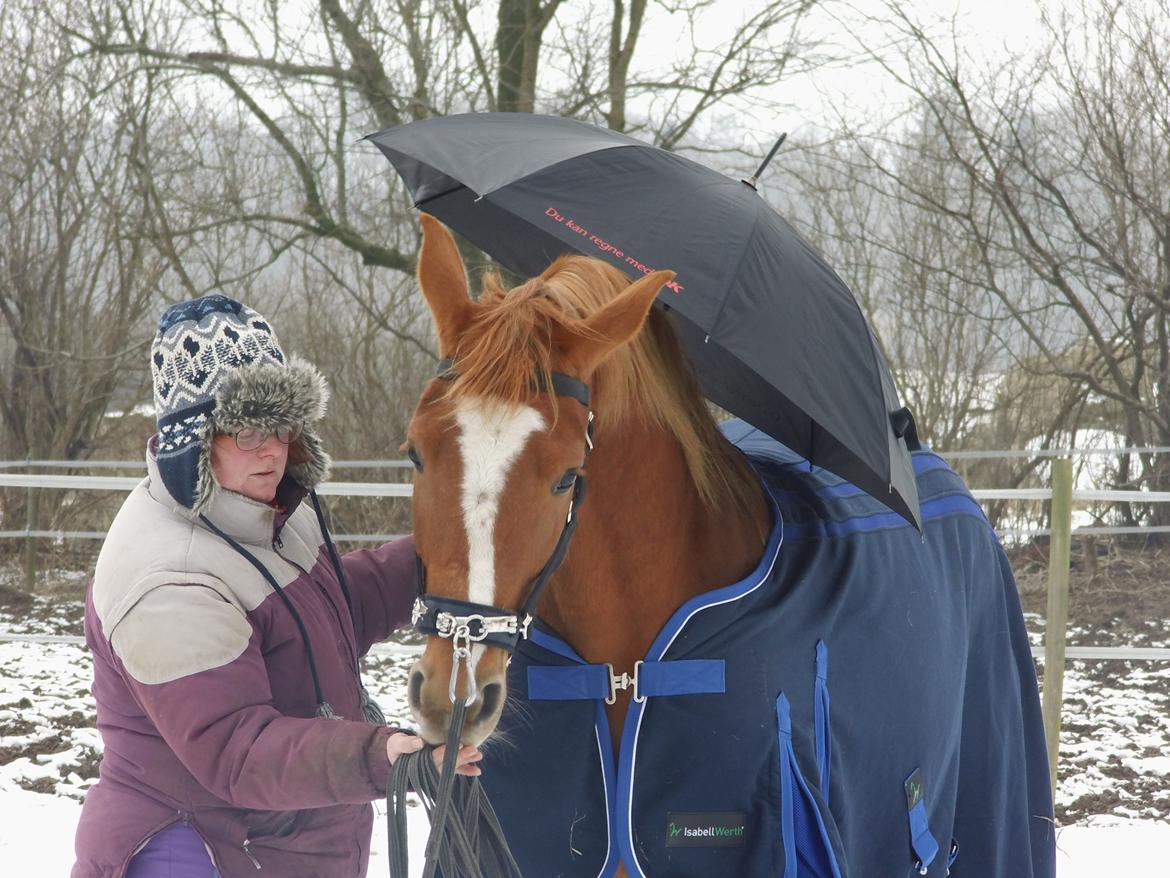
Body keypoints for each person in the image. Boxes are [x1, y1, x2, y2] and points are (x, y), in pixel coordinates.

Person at [72, 293, 480, 878]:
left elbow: (328, 618)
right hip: (202, 850)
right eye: (244, 431)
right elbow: (237, 749)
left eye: (283, 426)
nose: (271, 449)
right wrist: (380, 755)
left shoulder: (266, 510)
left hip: (286, 842)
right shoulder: (168, 580)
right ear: (193, 439)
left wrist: (436, 555)